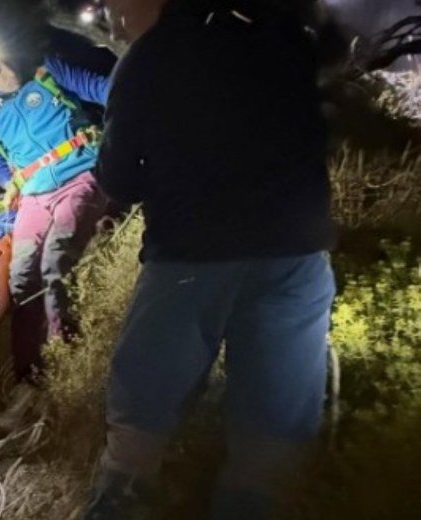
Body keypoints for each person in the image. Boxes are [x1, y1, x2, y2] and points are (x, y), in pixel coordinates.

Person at [84, 1, 336, 519]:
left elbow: (118, 181)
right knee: (273, 428)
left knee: (141, 411)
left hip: (193, 253)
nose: (113, 16)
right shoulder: (284, 33)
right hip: (297, 254)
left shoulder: (149, 57)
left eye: (116, 4)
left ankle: (120, 502)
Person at [0, 46, 112, 378]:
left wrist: (142, 92)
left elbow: (100, 88)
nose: (7, 71)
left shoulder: (45, 74)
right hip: (34, 193)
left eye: (5, 61)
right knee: (21, 276)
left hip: (78, 174)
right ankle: (27, 371)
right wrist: (10, 182)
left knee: (54, 259)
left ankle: (63, 353)